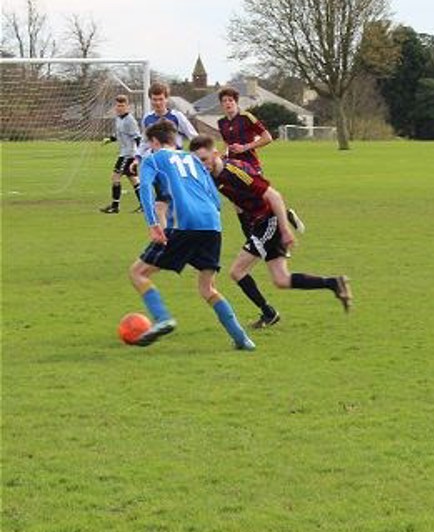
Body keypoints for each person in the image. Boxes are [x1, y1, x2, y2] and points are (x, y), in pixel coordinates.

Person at [189, 134, 352, 329]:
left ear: (215, 153)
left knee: (237, 271)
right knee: (281, 279)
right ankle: (335, 283)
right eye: (197, 161)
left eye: (204, 159)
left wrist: (285, 230)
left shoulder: (235, 172)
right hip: (258, 222)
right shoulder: (213, 175)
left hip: (268, 220)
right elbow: (237, 203)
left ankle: (269, 313)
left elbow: (274, 196)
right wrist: (247, 229)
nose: (202, 165)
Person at [127, 120, 255, 350]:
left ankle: (163, 318)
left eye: (150, 144)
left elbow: (145, 189)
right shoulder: (194, 159)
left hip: (185, 225)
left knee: (138, 273)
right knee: (207, 288)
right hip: (212, 225)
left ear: (155, 142)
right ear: (174, 139)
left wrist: (153, 223)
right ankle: (242, 339)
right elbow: (214, 196)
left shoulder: (153, 159)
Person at [216, 85, 304, 234]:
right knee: (238, 202)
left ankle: (285, 214)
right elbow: (226, 142)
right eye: (224, 101)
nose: (227, 103)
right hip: (233, 166)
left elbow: (267, 137)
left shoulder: (246, 118)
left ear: (236, 102)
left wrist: (245, 147)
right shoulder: (221, 123)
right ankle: (249, 235)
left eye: (230, 100)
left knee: (261, 195)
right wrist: (223, 155)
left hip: (250, 165)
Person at [132, 81, 200, 226]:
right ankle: (167, 239)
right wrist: (137, 158)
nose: (157, 102)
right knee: (161, 206)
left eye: (160, 99)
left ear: (166, 99)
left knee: (175, 204)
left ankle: (176, 235)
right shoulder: (147, 118)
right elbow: (145, 141)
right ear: (150, 99)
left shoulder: (177, 116)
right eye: (154, 99)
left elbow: (193, 135)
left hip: (175, 165)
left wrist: (198, 155)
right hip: (158, 166)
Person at [99, 95, 142, 214]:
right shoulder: (118, 118)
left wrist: (139, 156)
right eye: (118, 105)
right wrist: (110, 139)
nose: (120, 108)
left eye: (122, 106)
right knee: (134, 179)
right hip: (124, 153)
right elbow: (118, 134)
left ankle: (115, 206)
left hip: (128, 154)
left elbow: (138, 138)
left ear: (127, 107)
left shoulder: (130, 121)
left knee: (115, 177)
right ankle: (144, 205)